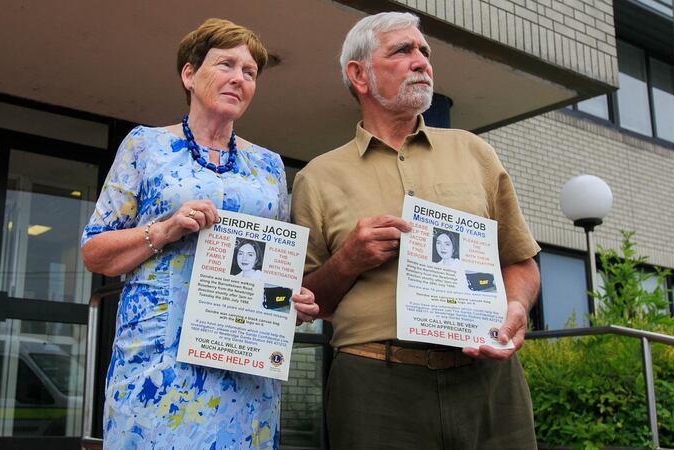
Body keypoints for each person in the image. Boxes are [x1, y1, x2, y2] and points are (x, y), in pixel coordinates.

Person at [291, 11, 541, 449]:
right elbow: (308, 302)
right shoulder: (317, 177)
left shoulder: (475, 152)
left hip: (488, 380)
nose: (422, 60)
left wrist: (517, 307)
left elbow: (520, 261)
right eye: (403, 50)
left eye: (424, 51)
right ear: (359, 75)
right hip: (375, 386)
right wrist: (348, 260)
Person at [81, 18, 317, 448]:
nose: (238, 78)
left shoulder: (268, 166)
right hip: (158, 364)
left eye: (249, 72)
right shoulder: (145, 146)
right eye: (226, 64)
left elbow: (274, 264)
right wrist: (165, 229)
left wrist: (289, 299)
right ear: (189, 74)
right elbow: (95, 253)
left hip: (244, 365)